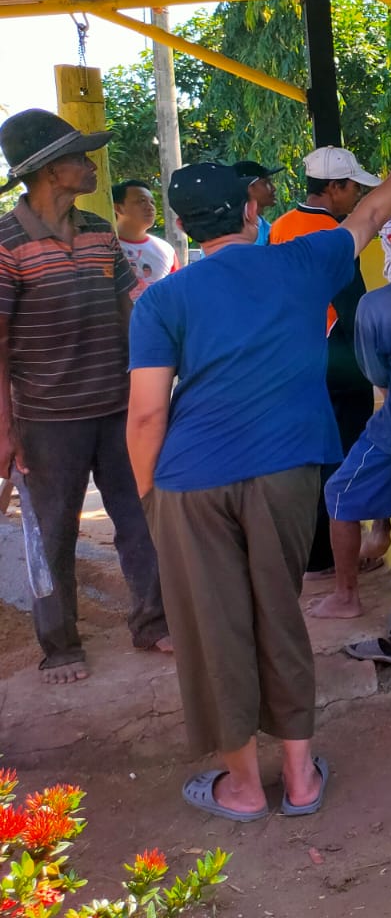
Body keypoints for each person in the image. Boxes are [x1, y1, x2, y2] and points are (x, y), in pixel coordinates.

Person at [125, 115, 391, 822]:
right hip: (288, 468)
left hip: (191, 480)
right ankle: (299, 779)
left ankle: (241, 787)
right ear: (252, 208)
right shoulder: (305, 260)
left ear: (182, 224)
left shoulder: (161, 299)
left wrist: (148, 495)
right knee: (278, 615)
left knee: (213, 626)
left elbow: (145, 415)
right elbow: (376, 211)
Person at [0, 110, 170, 685]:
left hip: (117, 406)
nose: (91, 164)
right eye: (79, 156)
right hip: (46, 419)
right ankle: (60, 645)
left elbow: (131, 312)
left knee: (140, 519)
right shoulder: (5, 244)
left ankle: (153, 622)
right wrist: (5, 428)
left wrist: (156, 378)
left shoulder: (99, 230)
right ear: (49, 172)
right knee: (52, 533)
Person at [271, 146, 382, 575]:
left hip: (292, 355)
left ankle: (309, 552)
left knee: (307, 459)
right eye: (353, 187)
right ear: (334, 187)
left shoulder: (282, 225)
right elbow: (353, 307)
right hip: (335, 359)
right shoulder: (333, 234)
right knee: (341, 459)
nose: (356, 196)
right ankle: (332, 558)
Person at [306, 207, 391, 620]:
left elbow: (376, 375)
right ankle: (381, 528)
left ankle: (346, 595)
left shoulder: (377, 305)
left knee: (337, 491)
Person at [112, 179, 177, 301]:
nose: (150, 207)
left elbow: (175, 292)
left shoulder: (165, 250)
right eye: (141, 201)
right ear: (118, 208)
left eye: (152, 202)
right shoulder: (103, 246)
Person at [233, 160, 284, 246]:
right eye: (266, 183)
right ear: (249, 188)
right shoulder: (231, 232)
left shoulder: (268, 229)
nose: (273, 188)